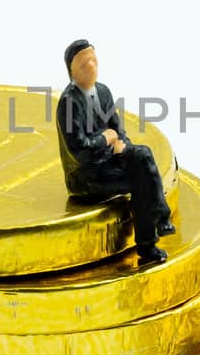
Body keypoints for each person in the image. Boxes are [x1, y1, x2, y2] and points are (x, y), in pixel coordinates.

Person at [55, 39, 174, 266]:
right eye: (83, 64)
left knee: (143, 154)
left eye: (93, 61)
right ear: (71, 72)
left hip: (110, 159)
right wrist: (105, 139)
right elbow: (79, 151)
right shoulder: (69, 103)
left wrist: (123, 146)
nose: (91, 67)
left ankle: (161, 218)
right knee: (141, 181)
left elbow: (118, 130)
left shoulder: (103, 92)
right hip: (87, 176)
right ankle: (149, 243)